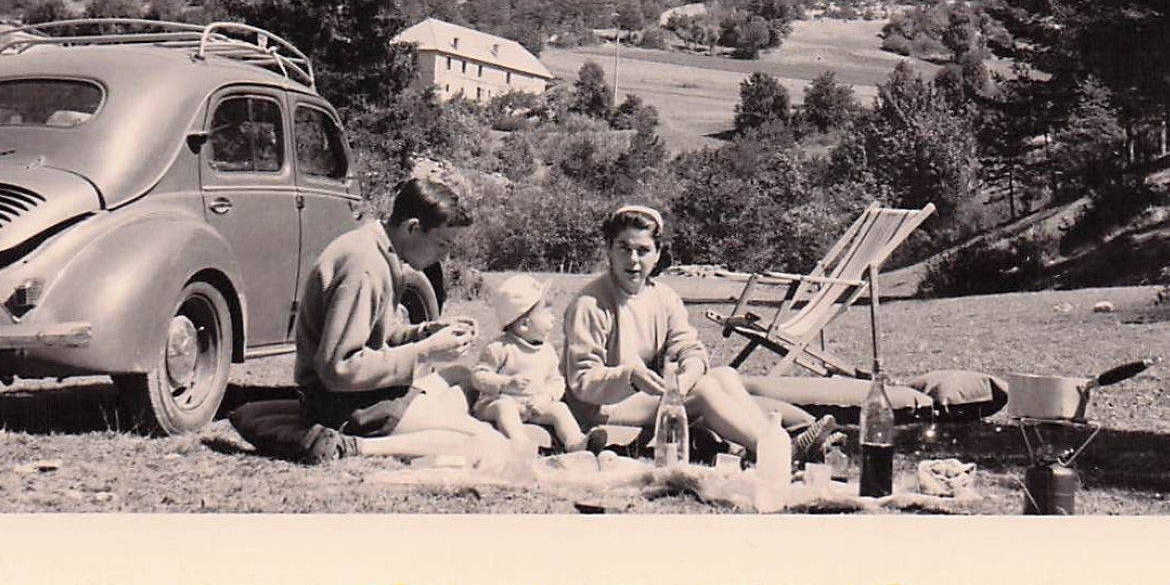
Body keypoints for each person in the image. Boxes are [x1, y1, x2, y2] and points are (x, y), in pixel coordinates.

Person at [563, 204, 836, 463]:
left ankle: (770, 444)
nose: (633, 260)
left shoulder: (663, 297)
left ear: (657, 254)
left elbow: (690, 348)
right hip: (603, 408)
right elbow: (583, 382)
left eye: (643, 250)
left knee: (724, 375)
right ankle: (776, 453)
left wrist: (686, 378)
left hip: (646, 394)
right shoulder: (591, 303)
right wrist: (631, 377)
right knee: (705, 391)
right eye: (624, 248)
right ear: (609, 250)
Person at [292, 177, 511, 466]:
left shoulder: (381, 250)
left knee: (461, 375)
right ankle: (355, 445)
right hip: (344, 404)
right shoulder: (365, 266)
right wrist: (425, 352)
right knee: (487, 443)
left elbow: (378, 335)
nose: (445, 257)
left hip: (365, 393)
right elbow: (338, 369)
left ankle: (430, 422)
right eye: (442, 243)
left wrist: (425, 332)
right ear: (412, 228)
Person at [469, 274, 588, 453]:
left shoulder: (546, 351)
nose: (553, 318)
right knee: (505, 407)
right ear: (525, 324)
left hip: (532, 406)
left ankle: (576, 443)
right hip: (496, 404)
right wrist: (505, 383)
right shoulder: (499, 348)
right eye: (547, 311)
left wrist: (546, 397)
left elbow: (556, 381)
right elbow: (478, 376)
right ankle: (520, 444)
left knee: (560, 409)